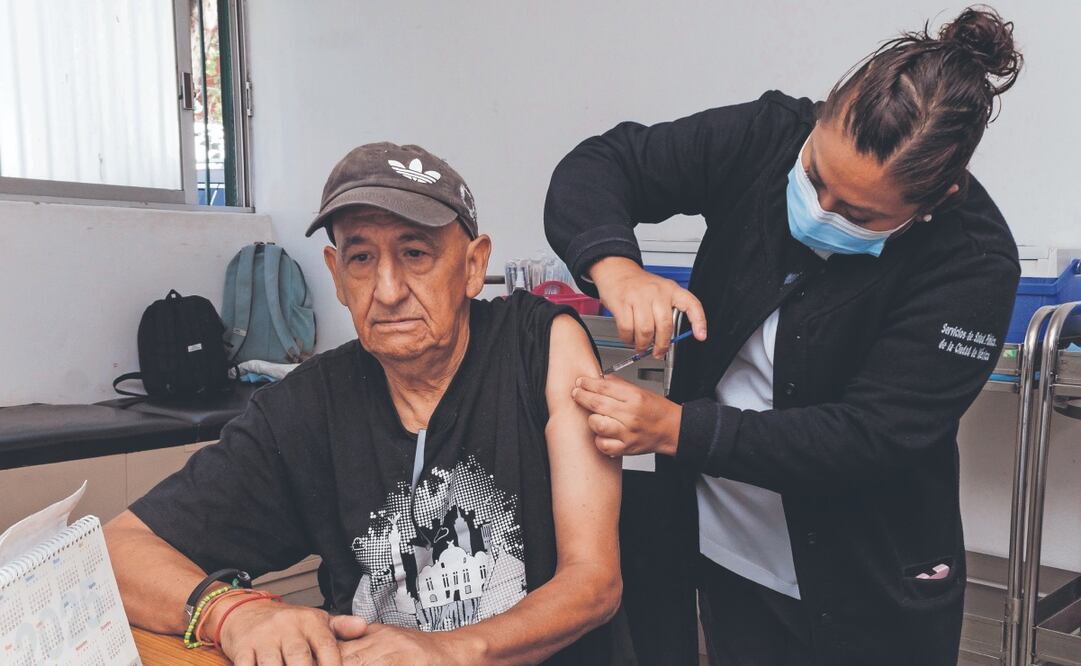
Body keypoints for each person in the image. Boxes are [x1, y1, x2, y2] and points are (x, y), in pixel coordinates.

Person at [544, 7, 1022, 666]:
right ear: (824, 114)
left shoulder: (971, 260)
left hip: (865, 582)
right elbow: (602, 164)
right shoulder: (768, 135)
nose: (820, 211)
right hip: (727, 551)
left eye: (857, 213)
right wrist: (616, 267)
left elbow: (867, 436)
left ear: (934, 198)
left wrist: (679, 430)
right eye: (816, 177)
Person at [105, 142, 624, 665]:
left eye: (415, 253)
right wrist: (233, 612)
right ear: (336, 275)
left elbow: (594, 581)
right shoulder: (307, 406)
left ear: (472, 266)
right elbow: (118, 549)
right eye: (361, 258)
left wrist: (446, 652)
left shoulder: (540, 347)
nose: (388, 289)